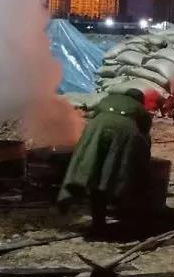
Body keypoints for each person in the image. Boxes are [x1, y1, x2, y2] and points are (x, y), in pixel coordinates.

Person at [58, 88, 157, 232]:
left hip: (96, 130)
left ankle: (93, 217)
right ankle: (123, 210)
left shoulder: (107, 100)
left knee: (93, 168)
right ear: (139, 100)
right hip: (123, 133)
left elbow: (93, 115)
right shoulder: (140, 110)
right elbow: (144, 137)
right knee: (116, 172)